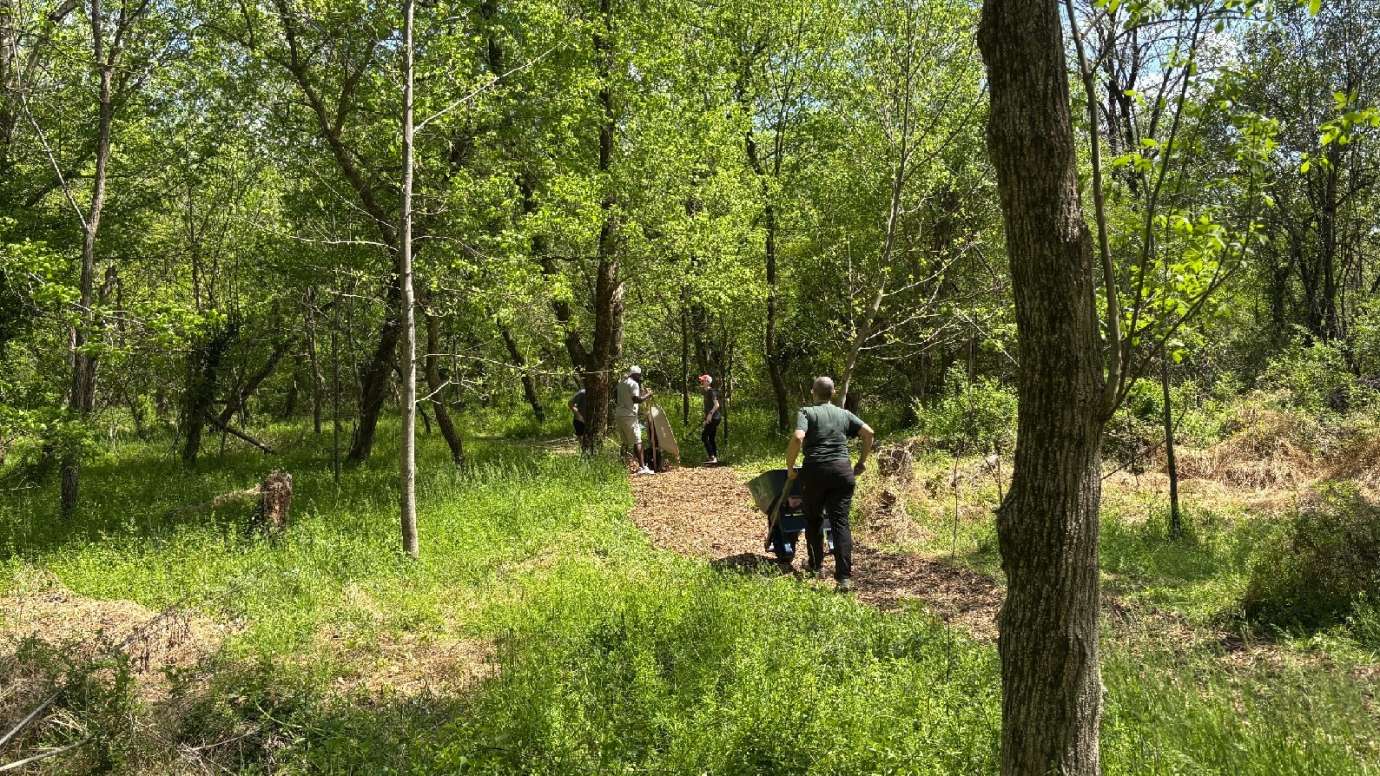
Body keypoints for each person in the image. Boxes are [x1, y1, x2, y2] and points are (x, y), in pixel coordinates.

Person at [784, 376, 874, 592]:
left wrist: (789, 467)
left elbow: (798, 437)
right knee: (840, 523)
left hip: (815, 472)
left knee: (813, 519)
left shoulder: (807, 412)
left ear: (812, 392)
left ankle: (816, 568)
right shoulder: (843, 414)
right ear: (833, 393)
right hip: (842, 472)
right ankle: (844, 578)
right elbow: (869, 433)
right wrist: (861, 462)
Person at [615, 365, 654, 475]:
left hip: (619, 415)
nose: (640, 378)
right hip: (629, 416)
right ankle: (642, 468)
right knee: (638, 440)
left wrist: (643, 393)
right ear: (635, 375)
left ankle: (621, 465)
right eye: (639, 375)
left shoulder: (622, 383)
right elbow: (637, 400)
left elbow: (626, 397)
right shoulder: (633, 383)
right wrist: (648, 394)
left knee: (625, 442)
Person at [698, 374, 722, 464]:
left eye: (703, 381)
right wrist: (706, 418)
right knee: (711, 438)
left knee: (704, 437)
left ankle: (712, 457)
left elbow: (717, 405)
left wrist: (710, 415)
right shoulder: (706, 392)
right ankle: (714, 458)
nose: (701, 382)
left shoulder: (711, 392)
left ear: (707, 382)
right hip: (713, 418)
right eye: (701, 381)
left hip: (715, 417)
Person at [568, 383, 590, 453]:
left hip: (590, 420)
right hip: (580, 420)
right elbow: (570, 403)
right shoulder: (582, 392)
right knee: (581, 436)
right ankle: (584, 452)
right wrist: (578, 415)